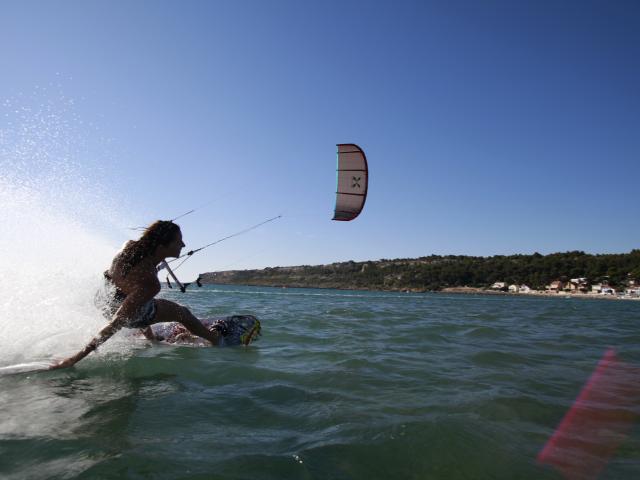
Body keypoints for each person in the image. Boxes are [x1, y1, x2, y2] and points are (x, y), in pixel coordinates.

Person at [50, 220, 220, 369]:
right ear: (162, 246)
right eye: (178, 241)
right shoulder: (149, 282)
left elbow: (131, 289)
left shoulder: (128, 246)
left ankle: (151, 338)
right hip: (127, 313)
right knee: (182, 312)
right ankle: (216, 340)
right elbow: (117, 322)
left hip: (103, 301)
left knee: (138, 299)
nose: (183, 245)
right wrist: (74, 359)